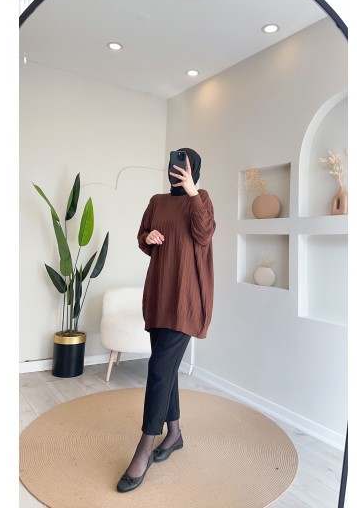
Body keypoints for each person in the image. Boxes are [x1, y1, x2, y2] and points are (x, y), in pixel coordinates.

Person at [116, 147, 216, 493]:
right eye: (174, 165)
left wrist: (191, 190)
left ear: (194, 170)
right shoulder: (157, 201)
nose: (176, 170)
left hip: (186, 298)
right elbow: (143, 237)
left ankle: (145, 447)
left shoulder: (201, 199)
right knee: (166, 367)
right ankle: (174, 434)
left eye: (184, 167)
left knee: (159, 368)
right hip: (159, 294)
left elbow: (204, 234)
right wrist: (148, 237)